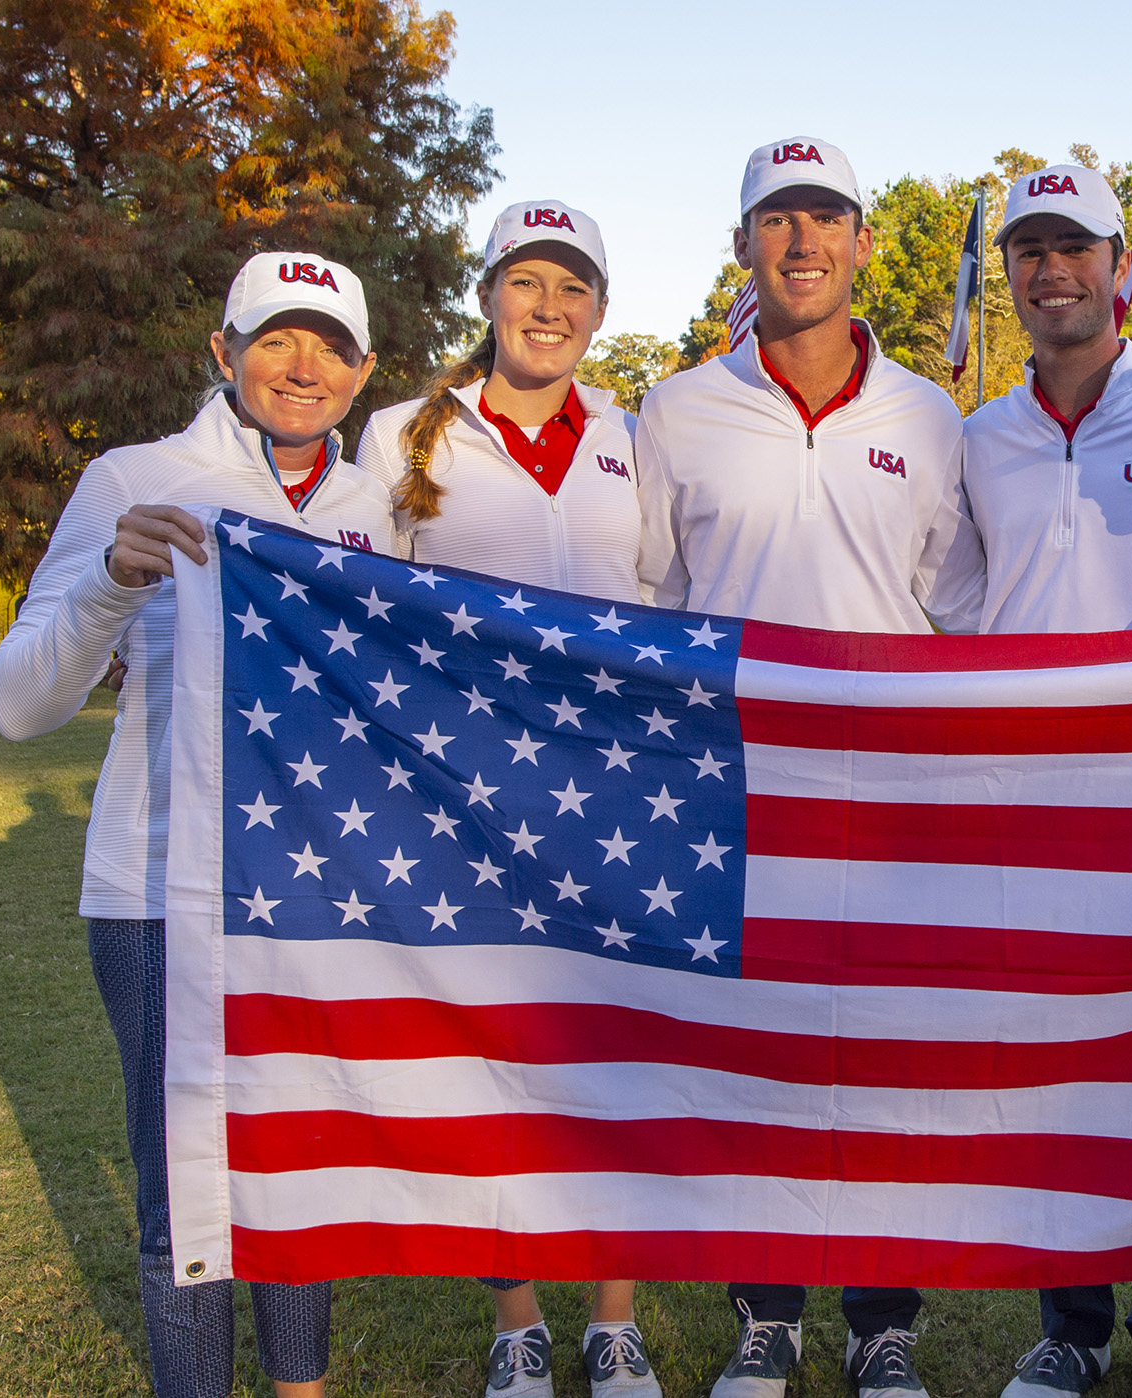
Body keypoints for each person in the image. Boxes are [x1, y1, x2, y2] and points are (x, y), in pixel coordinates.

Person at [0, 251, 398, 1398]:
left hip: (318, 892)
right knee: (186, 1185)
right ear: (223, 352)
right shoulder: (136, 478)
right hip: (160, 887)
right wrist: (109, 588)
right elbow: (20, 706)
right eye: (274, 337)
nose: (300, 364)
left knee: (298, 1174)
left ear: (363, 372)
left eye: (327, 343)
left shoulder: (373, 508)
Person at [634, 135, 986, 1398]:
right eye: (777, 220)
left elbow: (961, 599)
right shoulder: (674, 410)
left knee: (883, 1059)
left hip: (891, 796)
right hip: (736, 789)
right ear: (742, 246)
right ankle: (767, 1315)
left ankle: (881, 1320)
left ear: (862, 242)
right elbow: (645, 600)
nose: (802, 242)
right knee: (758, 1059)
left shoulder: (928, 415)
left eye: (825, 217)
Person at [356, 200, 659, 1398]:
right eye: (527, 282)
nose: (550, 308)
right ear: (487, 297)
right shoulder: (400, 437)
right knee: (493, 1060)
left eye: (573, 288)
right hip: (465, 798)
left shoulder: (634, 438)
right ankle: (518, 1319)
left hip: (620, 797)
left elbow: (669, 595)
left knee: (614, 1055)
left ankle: (616, 1316)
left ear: (599, 309)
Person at [957, 163, 1132, 1398]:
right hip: (1020, 807)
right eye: (1030, 249)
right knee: (1048, 1077)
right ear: (1009, 272)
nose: (1051, 269)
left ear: (1121, 264)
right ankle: (1068, 1325)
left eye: (1075, 246)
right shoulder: (976, 438)